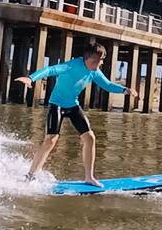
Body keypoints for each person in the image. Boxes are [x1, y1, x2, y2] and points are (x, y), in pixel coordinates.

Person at [15, 42, 138, 186]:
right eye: (96, 61)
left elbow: (107, 85)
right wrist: (31, 78)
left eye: (101, 61)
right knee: (51, 139)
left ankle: (89, 177)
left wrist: (125, 90)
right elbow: (50, 70)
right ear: (87, 58)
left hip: (73, 106)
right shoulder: (71, 66)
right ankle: (30, 176)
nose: (99, 64)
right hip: (57, 105)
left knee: (90, 138)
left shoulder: (94, 71)